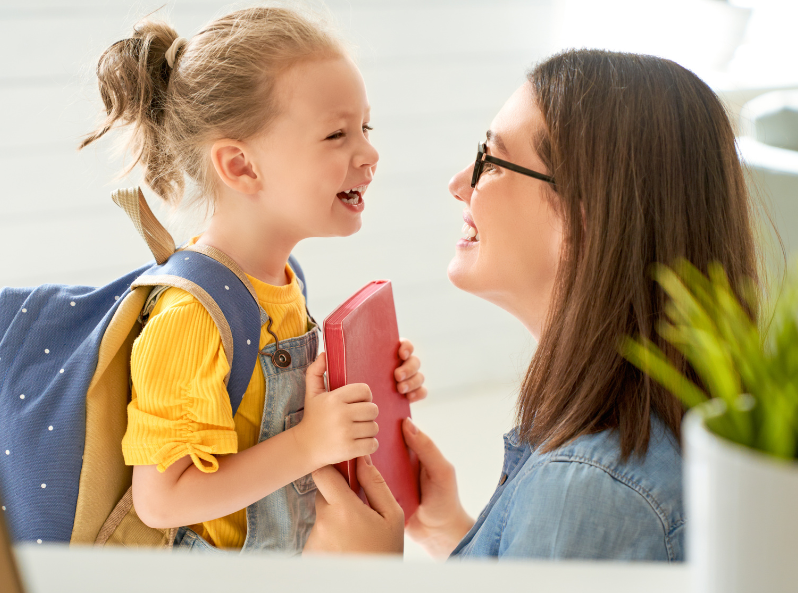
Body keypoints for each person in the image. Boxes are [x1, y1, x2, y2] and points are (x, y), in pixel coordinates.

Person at [304, 49, 762, 561]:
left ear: (585, 218)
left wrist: (366, 571)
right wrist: (448, 529)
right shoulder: (621, 449)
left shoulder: (588, 492)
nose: (459, 186)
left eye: (491, 162)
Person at [79, 7, 427, 553]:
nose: (369, 152)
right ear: (241, 166)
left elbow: (258, 412)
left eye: (365, 127)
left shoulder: (284, 281)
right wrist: (309, 442)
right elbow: (163, 500)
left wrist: (365, 382)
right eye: (337, 133)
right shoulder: (190, 318)